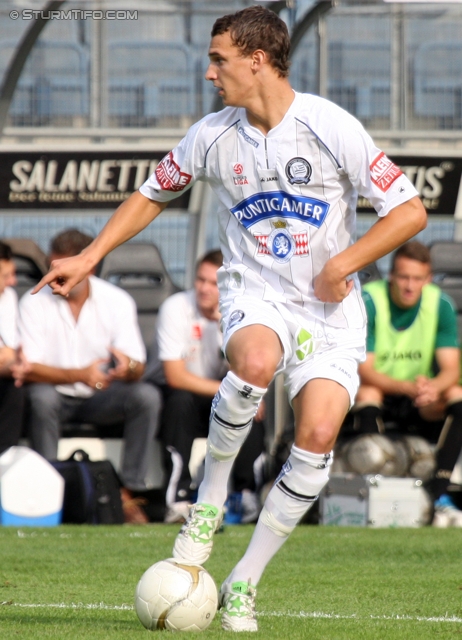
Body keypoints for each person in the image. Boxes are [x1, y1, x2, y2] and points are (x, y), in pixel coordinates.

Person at [34, 6, 427, 631]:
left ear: (258, 59)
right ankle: (208, 504)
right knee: (255, 362)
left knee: (320, 436)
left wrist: (343, 262)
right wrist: (90, 255)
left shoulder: (331, 126)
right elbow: (149, 195)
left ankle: (243, 581)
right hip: (256, 294)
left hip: (330, 313)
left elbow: (409, 212)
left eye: (220, 59)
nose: (210, 72)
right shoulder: (212, 135)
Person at [15, 229, 162, 524]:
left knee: (146, 396)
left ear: (88, 266)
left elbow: (137, 368)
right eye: (53, 268)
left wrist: (127, 369)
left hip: (102, 396)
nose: (56, 277)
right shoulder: (33, 301)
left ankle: (128, 493)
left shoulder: (117, 300)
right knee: (42, 399)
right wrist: (80, 374)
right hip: (52, 393)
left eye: (63, 269)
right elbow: (28, 369)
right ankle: (50, 494)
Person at [143, 248, 266, 524]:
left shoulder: (239, 314)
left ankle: (246, 495)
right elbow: (175, 376)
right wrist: (233, 391)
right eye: (200, 280)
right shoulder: (176, 307)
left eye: (214, 283)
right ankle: (178, 496)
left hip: (213, 395)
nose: (204, 289)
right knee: (181, 400)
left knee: (250, 405)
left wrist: (224, 331)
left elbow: (245, 371)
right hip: (172, 394)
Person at [353, 241, 462, 527]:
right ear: (392, 276)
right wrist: (406, 387)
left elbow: (451, 369)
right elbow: (364, 369)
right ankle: (375, 490)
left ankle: (437, 493)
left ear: (428, 279)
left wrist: (433, 387)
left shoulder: (440, 305)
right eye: (403, 277)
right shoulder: (370, 301)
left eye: (417, 279)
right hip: (381, 391)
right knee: (368, 391)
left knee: (456, 393)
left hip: (418, 397)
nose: (410, 286)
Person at [0, 241, 25, 455]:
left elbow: (11, 350)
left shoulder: (9, 297)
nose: (13, 281)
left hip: (5, 376)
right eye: (6, 275)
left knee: (15, 388)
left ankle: (5, 462)